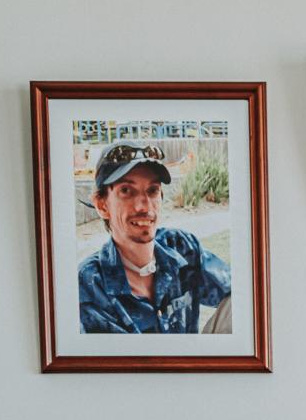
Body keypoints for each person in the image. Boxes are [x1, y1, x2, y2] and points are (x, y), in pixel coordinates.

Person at [78, 141, 233, 334]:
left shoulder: (182, 247)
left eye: (152, 190)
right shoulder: (88, 285)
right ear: (102, 205)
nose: (144, 206)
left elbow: (239, 290)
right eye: (126, 191)